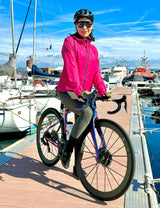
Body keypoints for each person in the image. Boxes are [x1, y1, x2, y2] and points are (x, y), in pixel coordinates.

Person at [56, 9, 107, 172]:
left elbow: (96, 74)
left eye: (88, 23)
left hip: (82, 92)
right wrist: (79, 91)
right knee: (86, 114)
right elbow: (71, 70)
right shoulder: (69, 42)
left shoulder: (93, 50)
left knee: (86, 123)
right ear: (75, 25)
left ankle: (78, 168)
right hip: (66, 89)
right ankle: (67, 150)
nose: (84, 27)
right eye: (80, 23)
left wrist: (103, 90)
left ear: (92, 25)